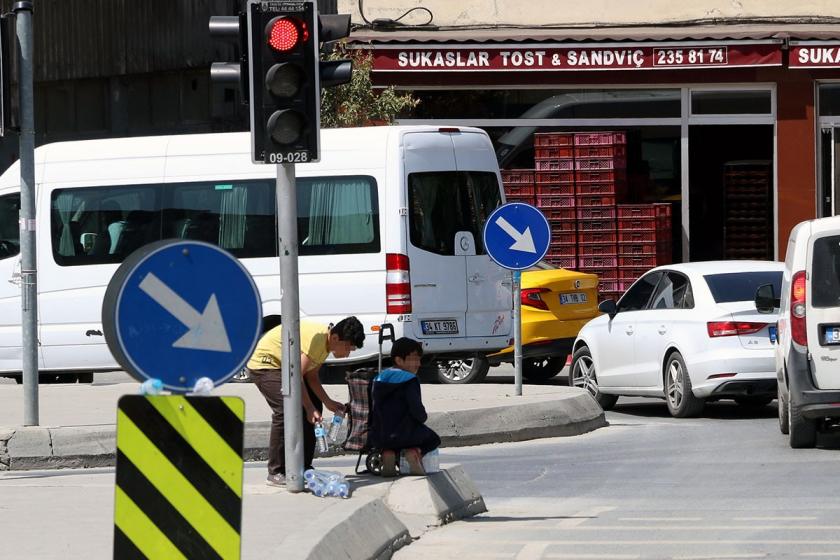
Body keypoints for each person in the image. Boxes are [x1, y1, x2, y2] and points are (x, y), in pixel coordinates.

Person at [246, 316, 365, 487]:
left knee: (315, 406)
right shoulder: (316, 341)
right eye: (347, 347)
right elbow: (296, 376)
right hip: (265, 366)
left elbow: (311, 376)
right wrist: (308, 408)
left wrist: (327, 402)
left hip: (286, 369)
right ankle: (276, 472)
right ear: (335, 338)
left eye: (351, 350)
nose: (347, 353)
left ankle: (304, 467)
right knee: (286, 410)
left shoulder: (326, 344)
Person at [369, 337, 441, 476]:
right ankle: (413, 453)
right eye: (413, 359)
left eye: (419, 359)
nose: (418, 364)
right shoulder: (410, 380)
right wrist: (422, 418)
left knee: (392, 443)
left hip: (380, 435)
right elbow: (416, 409)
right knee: (433, 439)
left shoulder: (379, 379)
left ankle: (388, 454)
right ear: (399, 360)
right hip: (406, 434)